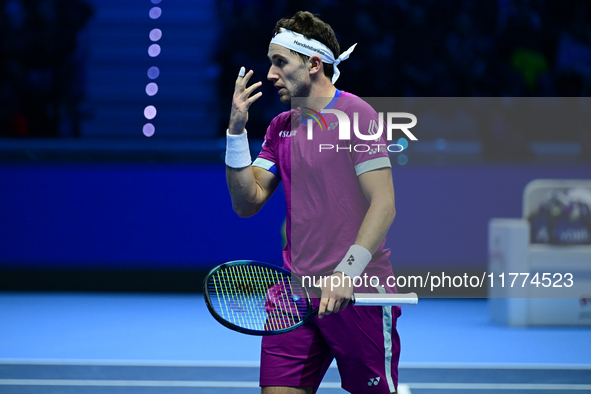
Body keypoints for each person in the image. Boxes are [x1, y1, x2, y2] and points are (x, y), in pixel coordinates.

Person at [225, 11, 400, 394]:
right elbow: (247, 202)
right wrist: (236, 132)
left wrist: (346, 272)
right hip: (295, 296)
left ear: (314, 64)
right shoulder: (279, 127)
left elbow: (384, 204)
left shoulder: (357, 115)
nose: (270, 74)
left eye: (280, 62)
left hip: (356, 293)